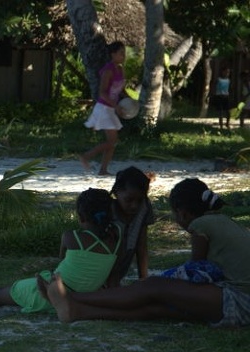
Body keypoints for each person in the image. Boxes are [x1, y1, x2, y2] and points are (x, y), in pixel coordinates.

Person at [44, 178, 250, 327]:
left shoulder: (200, 224)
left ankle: (73, 297)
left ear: (183, 212)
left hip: (239, 299)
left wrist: (158, 282)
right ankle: (75, 311)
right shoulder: (225, 221)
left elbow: (195, 270)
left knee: (153, 288)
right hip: (239, 300)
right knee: (157, 308)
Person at [0, 188, 123, 313]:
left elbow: (61, 261)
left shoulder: (71, 237)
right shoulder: (116, 238)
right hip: (78, 298)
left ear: (81, 218)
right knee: (0, 297)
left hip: (50, 295)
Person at [80, 41, 127, 176]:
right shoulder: (108, 70)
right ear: (113, 55)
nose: (123, 56)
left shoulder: (120, 69)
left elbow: (121, 90)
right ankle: (86, 157)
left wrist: (130, 102)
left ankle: (103, 170)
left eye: (124, 53)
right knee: (112, 141)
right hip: (104, 108)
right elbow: (102, 93)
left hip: (111, 109)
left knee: (112, 142)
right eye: (121, 53)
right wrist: (116, 106)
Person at [106, 166, 155, 286]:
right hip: (104, 264)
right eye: (129, 200)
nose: (134, 206)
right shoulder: (107, 210)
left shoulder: (144, 208)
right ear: (116, 193)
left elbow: (141, 245)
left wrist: (143, 280)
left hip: (124, 261)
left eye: (139, 200)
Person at [213, 66, 231, 132]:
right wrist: (213, 95)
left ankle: (227, 123)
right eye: (226, 72)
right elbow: (214, 87)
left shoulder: (228, 80)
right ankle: (221, 126)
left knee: (228, 112)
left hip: (226, 96)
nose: (227, 73)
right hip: (219, 96)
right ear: (222, 72)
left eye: (228, 72)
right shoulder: (218, 79)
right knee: (220, 112)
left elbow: (229, 89)